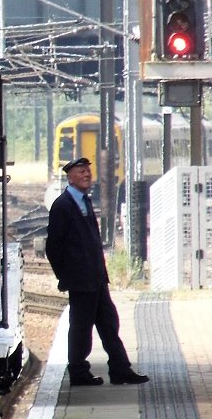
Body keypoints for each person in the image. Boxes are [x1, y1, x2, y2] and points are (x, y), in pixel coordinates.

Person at [44, 157, 149, 388]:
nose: (86, 175)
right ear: (70, 177)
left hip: (96, 279)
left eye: (88, 172)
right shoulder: (62, 206)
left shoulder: (84, 202)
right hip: (81, 280)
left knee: (109, 323)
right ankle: (79, 372)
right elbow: (53, 247)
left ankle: (120, 368)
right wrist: (65, 276)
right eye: (81, 172)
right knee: (81, 327)